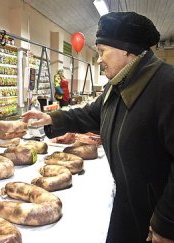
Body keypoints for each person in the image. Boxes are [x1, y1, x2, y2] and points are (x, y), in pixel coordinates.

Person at [22, 12, 174, 243]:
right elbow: (92, 113)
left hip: (155, 210)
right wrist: (50, 119)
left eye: (102, 51)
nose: (99, 59)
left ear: (126, 50)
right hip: (128, 200)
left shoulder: (166, 86)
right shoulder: (118, 84)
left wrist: (166, 222)